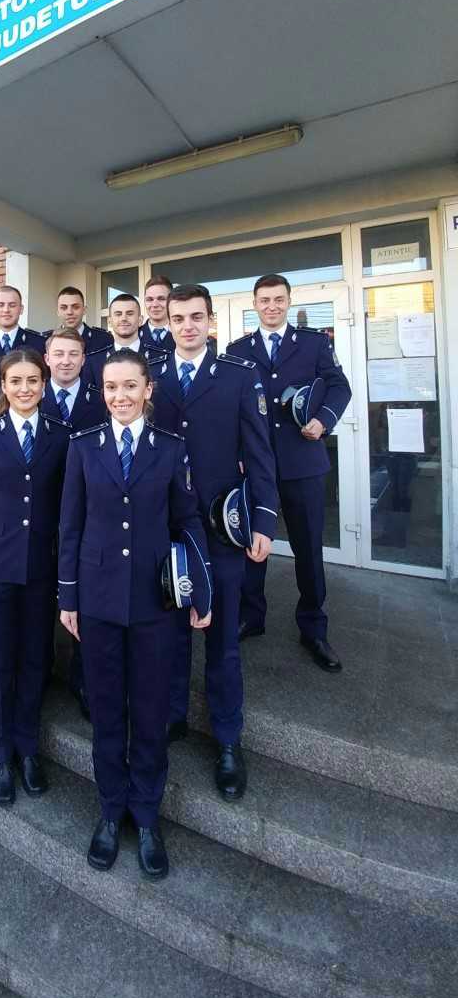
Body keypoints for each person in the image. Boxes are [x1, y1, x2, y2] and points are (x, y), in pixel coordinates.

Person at [58, 349, 211, 880]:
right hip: (98, 602)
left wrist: (202, 590)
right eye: (110, 387)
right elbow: (70, 528)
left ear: (148, 390)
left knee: (149, 713)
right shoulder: (83, 447)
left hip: (154, 603)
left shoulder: (170, 448)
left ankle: (146, 815)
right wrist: (68, 598)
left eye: (129, 386)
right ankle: (109, 810)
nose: (119, 396)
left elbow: (188, 521)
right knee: (105, 713)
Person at [152, 285, 279, 801]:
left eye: (195, 317)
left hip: (222, 530)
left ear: (210, 322)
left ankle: (228, 739)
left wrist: (264, 520)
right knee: (170, 632)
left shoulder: (238, 376)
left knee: (223, 640)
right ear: (168, 322)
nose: (187, 326)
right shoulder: (151, 376)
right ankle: (173, 716)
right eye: (178, 317)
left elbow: (260, 452)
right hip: (167, 530)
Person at [0, 349, 71, 807]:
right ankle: (1, 755)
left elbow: (68, 509)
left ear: (44, 384)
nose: (25, 388)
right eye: (16, 381)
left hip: (41, 569)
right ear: (3, 386)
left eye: (33, 380)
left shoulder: (61, 435)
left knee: (35, 661)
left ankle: (28, 749)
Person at [228, 274, 352, 672]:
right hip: (255, 464)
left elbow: (340, 387)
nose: (271, 306)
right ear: (254, 304)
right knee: (252, 544)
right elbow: (230, 407)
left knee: (308, 547)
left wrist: (324, 420)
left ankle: (313, 627)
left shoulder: (314, 343)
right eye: (264, 300)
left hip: (303, 462)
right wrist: (236, 453)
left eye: (278, 299)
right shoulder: (237, 350)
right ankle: (251, 615)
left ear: (288, 301)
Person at [42, 326, 106, 719]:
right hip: (39, 513)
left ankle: (84, 679)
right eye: (59, 354)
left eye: (73, 354)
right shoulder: (30, 395)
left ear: (84, 360)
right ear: (46, 358)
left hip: (89, 514)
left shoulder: (101, 400)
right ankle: (41, 670)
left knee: (84, 595)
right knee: (40, 595)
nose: (66, 361)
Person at [85, 293, 166, 387]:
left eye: (130, 314)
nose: (124, 318)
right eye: (118, 314)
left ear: (140, 320)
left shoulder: (161, 358)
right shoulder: (94, 361)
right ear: (109, 321)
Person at [0, 285, 45, 373]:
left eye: (12, 305)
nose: (6, 310)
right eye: (0, 305)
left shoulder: (39, 343)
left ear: (21, 309)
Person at [42, 285, 111, 352]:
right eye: (64, 308)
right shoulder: (45, 339)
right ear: (58, 312)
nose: (69, 312)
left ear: (84, 310)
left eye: (76, 307)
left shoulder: (104, 339)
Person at [140, 275, 175, 353]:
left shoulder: (183, 334)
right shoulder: (134, 335)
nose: (155, 305)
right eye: (149, 299)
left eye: (161, 299)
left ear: (171, 301)